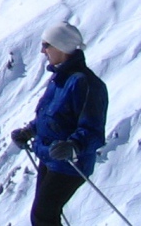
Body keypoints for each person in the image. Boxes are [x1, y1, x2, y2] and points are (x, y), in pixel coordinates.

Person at [10, 22, 108, 226]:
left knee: (43, 216)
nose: (42, 50)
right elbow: (50, 116)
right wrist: (29, 131)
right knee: (44, 216)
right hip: (50, 157)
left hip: (71, 165)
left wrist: (74, 146)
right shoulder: (60, 79)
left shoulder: (86, 84)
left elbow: (94, 131)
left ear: (61, 47)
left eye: (46, 45)